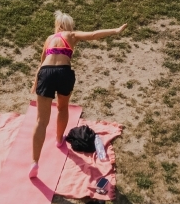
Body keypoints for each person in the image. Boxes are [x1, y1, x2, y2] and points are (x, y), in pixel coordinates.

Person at [28, 11, 127, 180]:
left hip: (45, 73)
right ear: (69, 26)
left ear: (57, 26)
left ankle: (35, 162)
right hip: (64, 72)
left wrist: (35, 82)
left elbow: (42, 62)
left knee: (41, 121)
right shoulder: (71, 35)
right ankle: (59, 140)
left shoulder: (49, 38)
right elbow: (94, 35)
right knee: (62, 108)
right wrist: (115, 31)